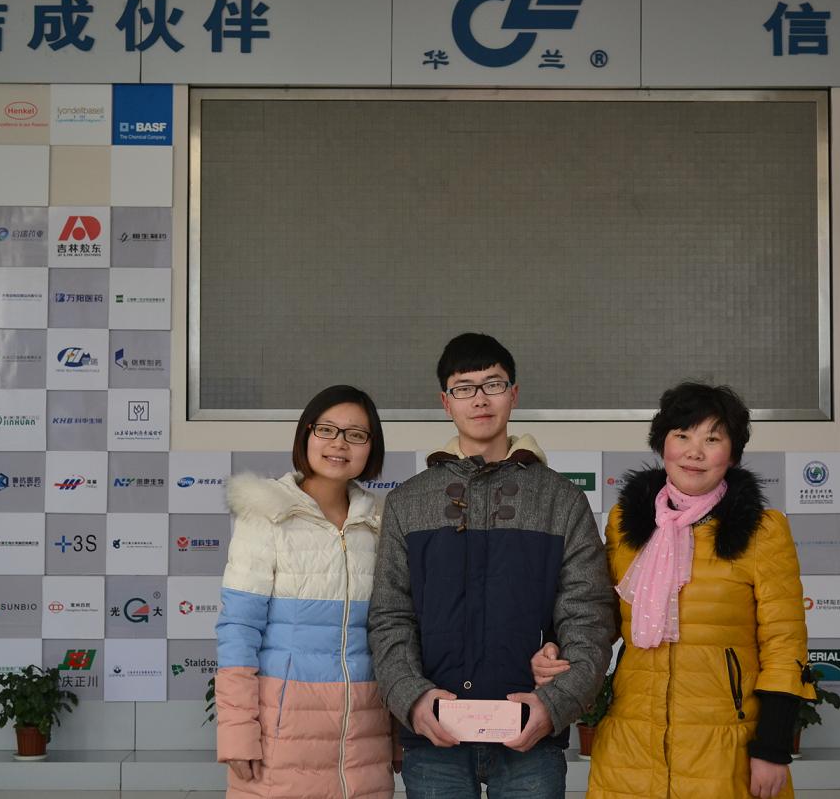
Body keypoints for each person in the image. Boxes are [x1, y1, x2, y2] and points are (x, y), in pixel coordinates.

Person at [368, 333, 616, 799]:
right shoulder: (408, 502)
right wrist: (412, 699)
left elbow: (590, 615)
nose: (480, 399)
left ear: (513, 394)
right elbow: (389, 616)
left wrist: (555, 702)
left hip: (530, 737)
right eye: (464, 388)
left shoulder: (561, 500)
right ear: (446, 402)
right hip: (435, 739)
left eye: (493, 384)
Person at [580, 382, 815, 799]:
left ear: (733, 453)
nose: (695, 452)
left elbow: (785, 644)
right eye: (683, 435)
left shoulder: (763, 531)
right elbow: (600, 619)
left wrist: (772, 748)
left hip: (725, 747)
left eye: (712, 439)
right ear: (662, 444)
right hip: (632, 741)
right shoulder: (625, 524)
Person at [214, 385, 394, 799]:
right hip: (282, 736)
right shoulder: (268, 514)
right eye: (326, 429)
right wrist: (237, 730)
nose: (339, 444)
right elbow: (238, 629)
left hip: (364, 736)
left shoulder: (381, 523)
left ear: (372, 447)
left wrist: (399, 733)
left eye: (356, 434)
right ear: (306, 434)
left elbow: (394, 634)